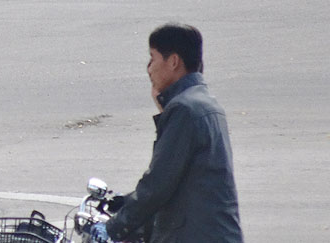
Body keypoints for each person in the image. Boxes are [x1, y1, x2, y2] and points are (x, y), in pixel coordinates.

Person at [87, 23, 244, 243]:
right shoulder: (204, 104)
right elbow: (182, 176)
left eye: (153, 58)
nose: (149, 68)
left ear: (173, 62)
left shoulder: (184, 110)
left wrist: (113, 228)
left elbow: (159, 183)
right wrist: (125, 202)